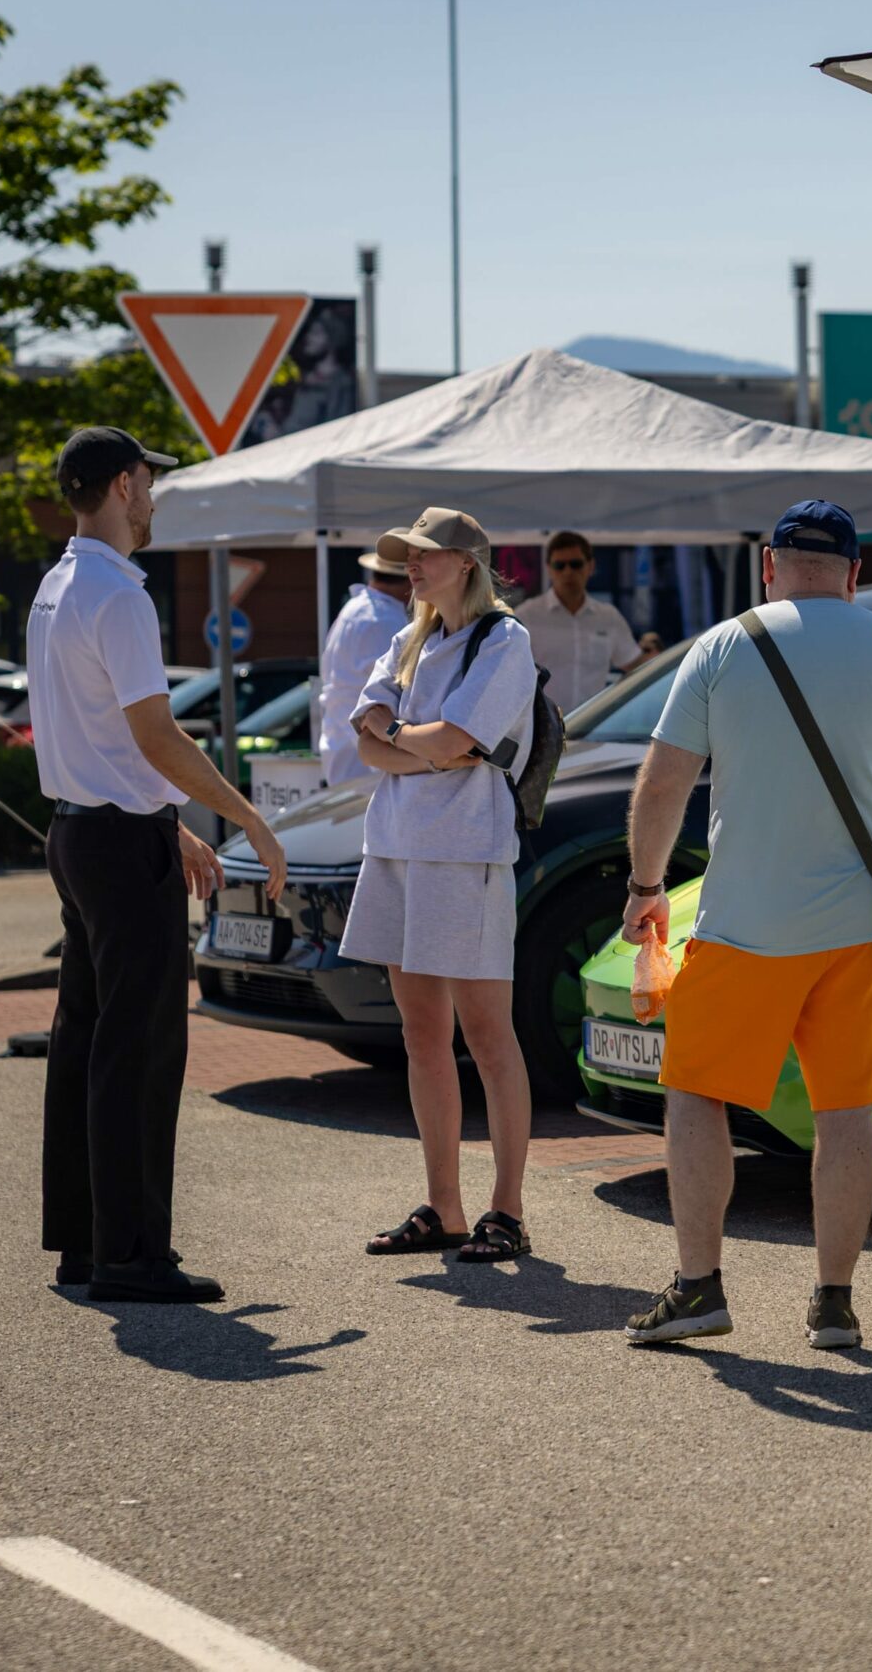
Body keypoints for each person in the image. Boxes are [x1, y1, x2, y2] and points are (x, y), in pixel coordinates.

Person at [617, 499, 872, 1349]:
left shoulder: (726, 645)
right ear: (855, 574)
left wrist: (647, 885)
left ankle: (699, 1288)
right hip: (859, 928)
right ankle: (835, 1302)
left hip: (745, 924)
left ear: (769, 565)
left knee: (696, 1094)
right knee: (844, 1111)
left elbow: (664, 782)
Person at [29, 426, 288, 1303]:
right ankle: (132, 1256)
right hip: (113, 842)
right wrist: (248, 816)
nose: (153, 497)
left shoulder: (56, 584)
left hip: (76, 834)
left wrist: (168, 826)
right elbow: (154, 734)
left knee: (85, 1039)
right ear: (121, 484)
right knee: (137, 1050)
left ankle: (84, 1242)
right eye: (147, 480)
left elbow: (93, 737)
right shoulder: (119, 594)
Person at [344, 508, 542, 1264]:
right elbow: (372, 744)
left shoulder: (504, 640)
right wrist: (422, 748)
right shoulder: (410, 637)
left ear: (466, 563)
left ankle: (507, 1211)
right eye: (408, 554)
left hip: (464, 853)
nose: (411, 565)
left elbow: (458, 740)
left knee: (489, 1036)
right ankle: (445, 1208)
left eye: (424, 554)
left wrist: (406, 737)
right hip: (398, 847)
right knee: (421, 1034)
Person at [513, 530, 658, 715]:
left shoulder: (608, 617)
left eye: (576, 564)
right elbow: (507, 671)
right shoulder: (527, 615)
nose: (568, 572)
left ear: (591, 566)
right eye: (559, 565)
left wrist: (662, 657)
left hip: (591, 725)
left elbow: (634, 664)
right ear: (549, 569)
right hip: (541, 726)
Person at [314, 542, 415, 785]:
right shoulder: (383, 621)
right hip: (367, 764)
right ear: (411, 581)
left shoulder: (358, 608)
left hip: (348, 754)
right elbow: (398, 694)